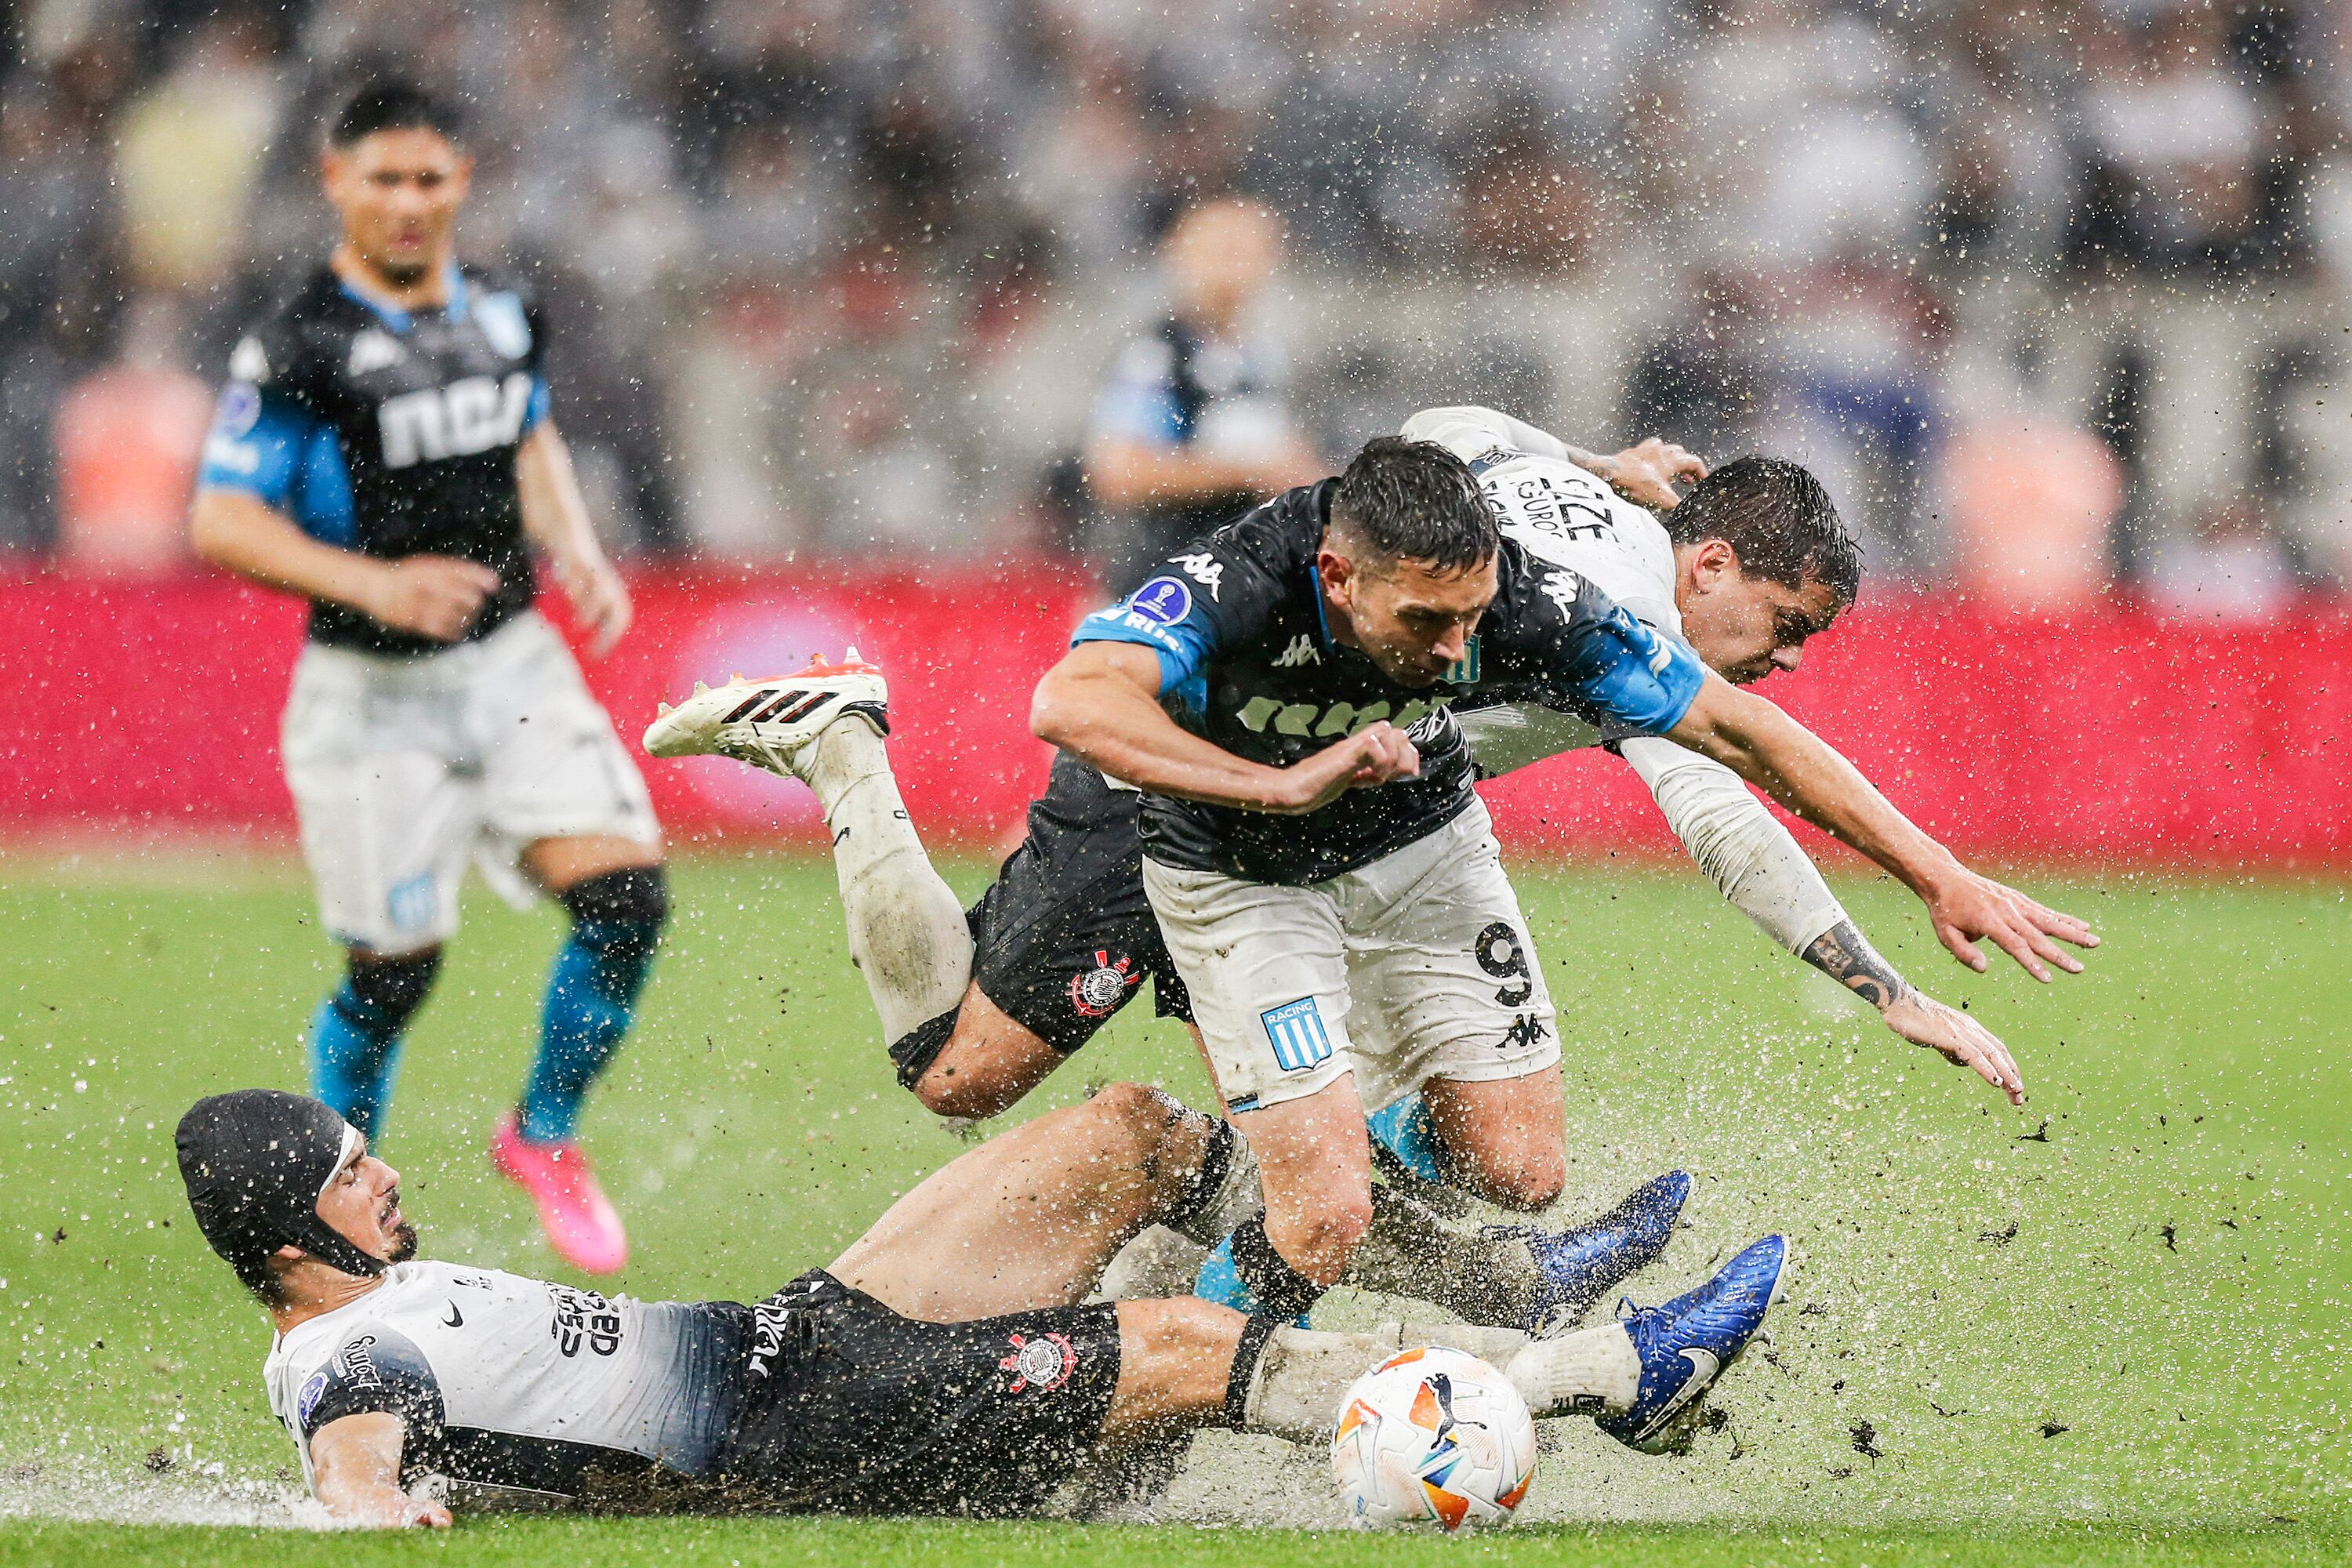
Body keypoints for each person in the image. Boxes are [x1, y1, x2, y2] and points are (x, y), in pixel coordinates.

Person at [1018, 436, 2093, 1326]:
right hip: (1222, 822)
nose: (1794, 657)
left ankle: (1250, 1248)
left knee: (1512, 1168)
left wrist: (1594, 457)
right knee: (969, 1075)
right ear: (1709, 564)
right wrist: (1895, 989)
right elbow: (1732, 813)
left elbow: (1463, 420)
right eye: (1789, 625)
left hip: (1402, 820)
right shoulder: (1614, 609)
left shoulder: (1562, 549)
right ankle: (1169, 1332)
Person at [175, 1086, 1791, 1524]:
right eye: (349, 1169)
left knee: (1135, 1135)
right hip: (807, 1433)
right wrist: (372, 1516)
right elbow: (351, 1454)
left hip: (795, 1337)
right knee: (1182, 1341)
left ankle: (1513, 1273)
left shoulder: (367, 1286)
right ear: (282, 1226)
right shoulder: (341, 1349)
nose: (381, 1177)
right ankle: (1596, 1373)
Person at [187, 80, 664, 1276]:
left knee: (626, 901)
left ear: (463, 179)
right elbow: (222, 518)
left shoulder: (504, 308)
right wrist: (375, 583)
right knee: (394, 975)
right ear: (334, 180)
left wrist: (578, 548)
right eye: (384, 179)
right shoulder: (296, 340)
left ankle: (544, 1136)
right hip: (369, 692)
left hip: (511, 659)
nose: (409, 202)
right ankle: (323, 1199)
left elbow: (529, 432)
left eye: (430, 177)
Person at [1081, 197, 1325, 593]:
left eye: (1252, 250)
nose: (1238, 266)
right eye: (1224, 249)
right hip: (1160, 586)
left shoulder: (1264, 356)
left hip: (1237, 583)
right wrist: (1245, 471)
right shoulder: (1158, 355)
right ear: (1178, 256)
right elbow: (1118, 473)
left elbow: (1289, 461)